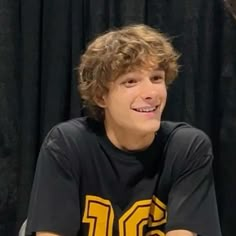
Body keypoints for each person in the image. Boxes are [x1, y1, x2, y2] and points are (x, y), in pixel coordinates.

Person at [25, 24, 222, 236]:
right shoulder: (67, 144)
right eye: (130, 81)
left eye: (156, 78)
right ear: (101, 97)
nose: (151, 93)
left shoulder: (186, 148)